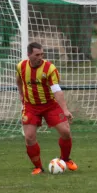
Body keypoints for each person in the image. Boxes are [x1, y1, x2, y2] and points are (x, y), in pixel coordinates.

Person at [16, 42, 77, 175]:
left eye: (42, 54)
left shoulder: (50, 68)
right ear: (29, 55)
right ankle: (38, 167)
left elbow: (57, 91)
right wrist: (21, 94)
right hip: (31, 106)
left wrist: (65, 110)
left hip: (50, 105)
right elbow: (19, 81)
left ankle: (65, 159)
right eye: (37, 55)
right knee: (29, 137)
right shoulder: (21, 66)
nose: (40, 57)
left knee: (65, 132)